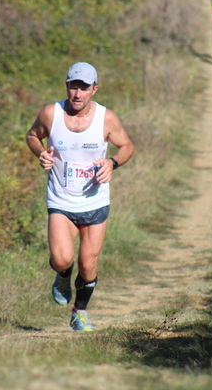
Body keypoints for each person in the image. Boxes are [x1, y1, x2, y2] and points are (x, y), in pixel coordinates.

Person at [26, 62, 134, 331]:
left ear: (94, 90)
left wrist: (112, 163)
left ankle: (80, 312)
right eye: (73, 86)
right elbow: (32, 135)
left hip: (95, 201)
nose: (77, 94)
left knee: (88, 263)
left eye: (84, 88)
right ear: (67, 86)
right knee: (62, 259)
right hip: (61, 200)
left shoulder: (106, 118)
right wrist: (41, 152)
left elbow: (127, 146)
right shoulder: (51, 113)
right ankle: (62, 276)